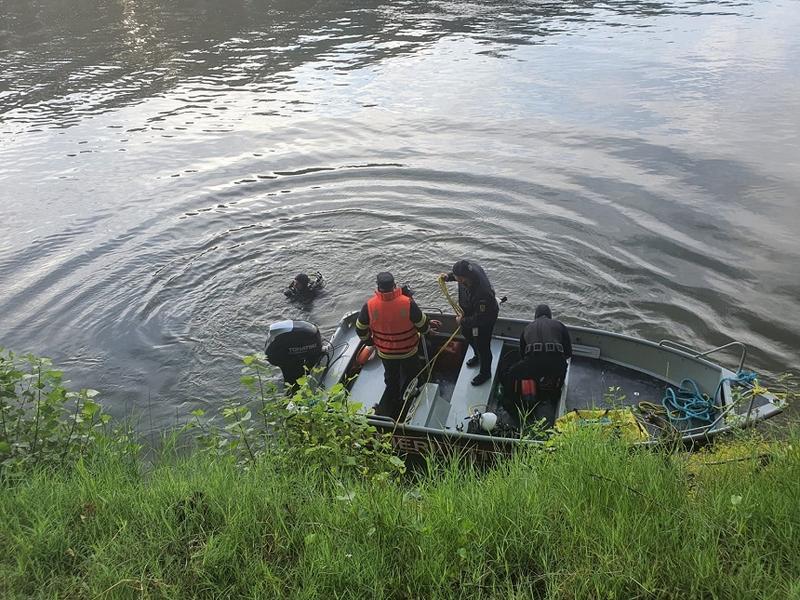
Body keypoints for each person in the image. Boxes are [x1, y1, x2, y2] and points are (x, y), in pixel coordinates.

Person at [355, 272, 440, 420]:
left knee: (391, 377)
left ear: (378, 287)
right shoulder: (407, 303)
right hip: (408, 350)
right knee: (415, 374)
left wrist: (371, 342)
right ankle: (416, 396)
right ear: (394, 286)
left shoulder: (369, 306)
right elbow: (422, 325)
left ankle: (395, 400)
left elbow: (360, 329)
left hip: (386, 353)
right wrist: (428, 330)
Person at [506, 304, 572, 424]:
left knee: (512, 373)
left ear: (535, 316)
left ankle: (513, 400)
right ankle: (556, 393)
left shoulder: (527, 328)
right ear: (550, 316)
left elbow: (522, 355)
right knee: (563, 366)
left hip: (533, 365)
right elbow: (568, 353)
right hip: (556, 366)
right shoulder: (559, 325)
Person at [440, 259, 499, 386]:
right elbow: (456, 275)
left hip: (484, 318)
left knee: (483, 345)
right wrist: (448, 277)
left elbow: (481, 319)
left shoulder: (483, 293)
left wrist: (463, 320)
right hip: (469, 311)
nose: (458, 280)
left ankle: (485, 373)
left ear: (464, 278)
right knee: (467, 334)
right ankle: (477, 356)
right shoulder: (469, 271)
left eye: (458, 278)